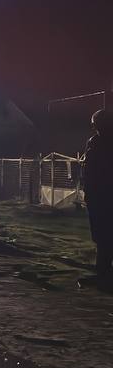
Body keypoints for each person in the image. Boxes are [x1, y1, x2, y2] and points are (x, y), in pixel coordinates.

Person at [82, 109, 112, 285]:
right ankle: (104, 270)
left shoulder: (95, 143)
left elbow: (91, 171)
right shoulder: (95, 142)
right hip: (99, 195)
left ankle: (104, 272)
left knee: (103, 235)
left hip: (101, 195)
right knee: (103, 235)